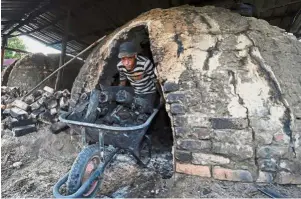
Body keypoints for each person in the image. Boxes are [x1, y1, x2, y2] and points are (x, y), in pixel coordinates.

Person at [117, 41, 158, 108]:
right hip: (136, 92)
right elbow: (122, 81)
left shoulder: (145, 63)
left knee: (148, 110)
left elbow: (155, 80)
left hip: (150, 92)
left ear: (135, 56)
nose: (126, 63)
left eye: (130, 58)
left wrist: (162, 96)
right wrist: (119, 93)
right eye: (123, 59)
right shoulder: (120, 66)